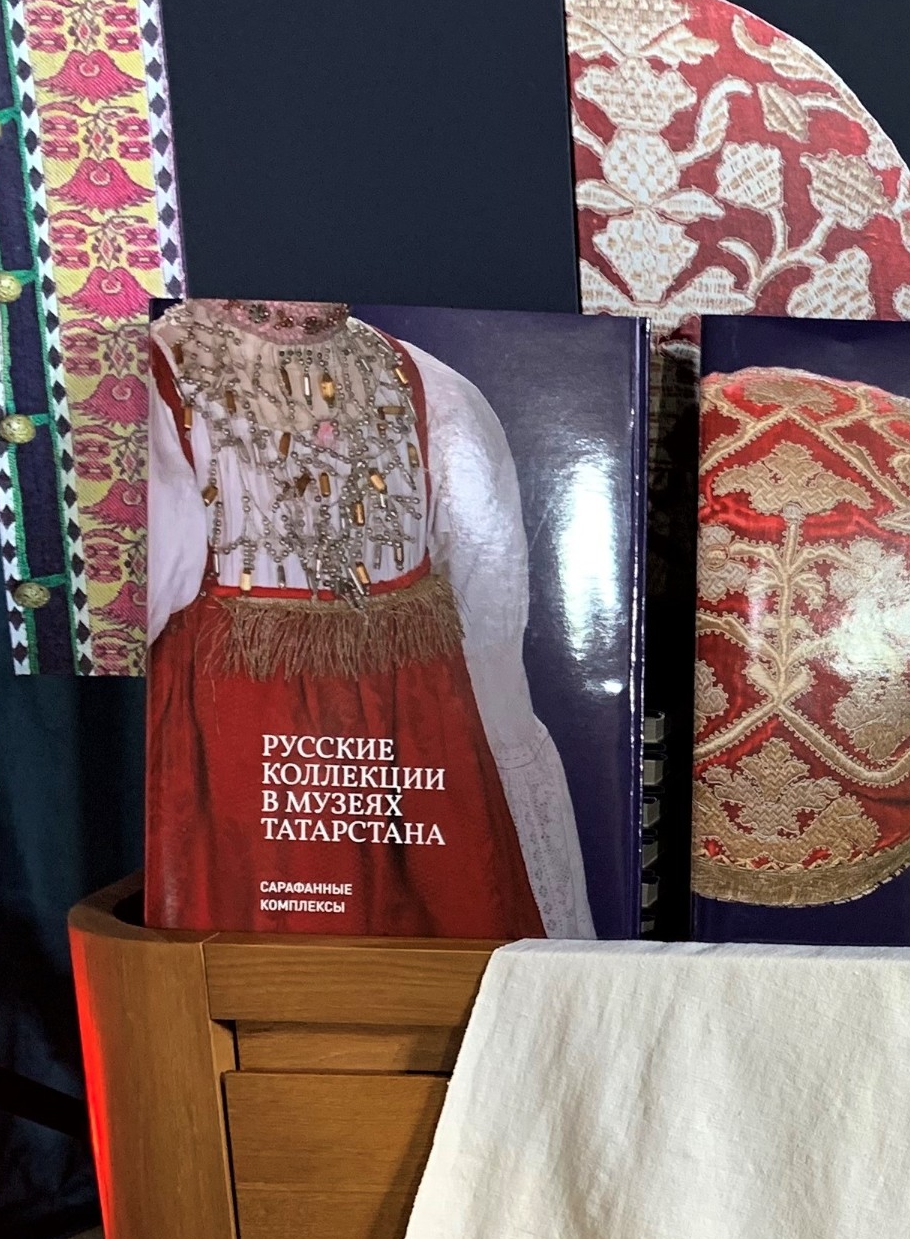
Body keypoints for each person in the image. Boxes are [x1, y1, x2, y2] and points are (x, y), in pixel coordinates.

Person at [145, 298, 592, 938]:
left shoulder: (437, 391)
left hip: (414, 744)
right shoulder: (153, 374)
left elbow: (492, 626)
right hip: (246, 744)